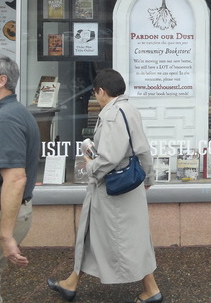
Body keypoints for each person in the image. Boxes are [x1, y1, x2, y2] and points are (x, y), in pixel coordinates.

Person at [47, 69, 162, 303]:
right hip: (127, 187)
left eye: (95, 93)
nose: (95, 97)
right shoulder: (129, 109)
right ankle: (71, 283)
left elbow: (109, 158)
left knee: (121, 239)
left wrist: (90, 165)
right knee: (110, 236)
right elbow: (143, 149)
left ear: (101, 91)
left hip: (112, 190)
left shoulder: (111, 115)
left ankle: (152, 290)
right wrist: (148, 177)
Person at [0, 54, 40, 303]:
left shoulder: (5, 119)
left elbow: (15, 179)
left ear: (1, 81)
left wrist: (6, 236)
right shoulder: (3, 114)